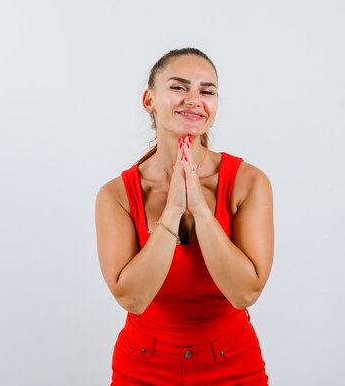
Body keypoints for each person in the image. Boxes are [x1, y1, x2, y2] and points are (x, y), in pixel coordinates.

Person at [95, 48, 274, 385]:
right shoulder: (115, 196)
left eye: (207, 91)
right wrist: (174, 209)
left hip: (233, 364)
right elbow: (132, 298)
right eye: (178, 87)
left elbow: (245, 293)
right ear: (149, 100)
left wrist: (202, 211)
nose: (194, 99)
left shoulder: (249, 183)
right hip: (143, 367)